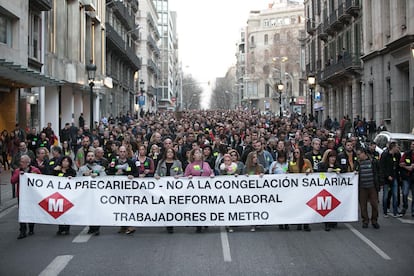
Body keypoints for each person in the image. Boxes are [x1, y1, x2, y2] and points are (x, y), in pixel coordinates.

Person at [106, 146, 138, 234]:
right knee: (120, 207)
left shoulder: (131, 162)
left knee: (129, 207)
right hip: (117, 189)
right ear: (118, 153)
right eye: (121, 151)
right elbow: (109, 172)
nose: (122, 153)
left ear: (126, 153)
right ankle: (123, 226)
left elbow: (136, 173)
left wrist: (132, 176)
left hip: (128, 190)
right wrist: (115, 173)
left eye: (124, 151)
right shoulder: (114, 162)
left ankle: (131, 225)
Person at [184, 148, 214, 233]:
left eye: (199, 153)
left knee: (205, 206)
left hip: (206, 189)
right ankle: (198, 224)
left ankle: (205, 220)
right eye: (196, 153)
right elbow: (185, 176)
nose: (198, 154)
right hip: (195, 191)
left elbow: (210, 172)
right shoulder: (190, 166)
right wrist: (188, 177)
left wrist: (212, 174)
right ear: (193, 156)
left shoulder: (206, 164)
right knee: (197, 207)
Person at [10, 155, 41, 239]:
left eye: (23, 162)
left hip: (32, 195)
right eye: (21, 161)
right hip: (22, 196)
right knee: (22, 213)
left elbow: (41, 180)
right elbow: (12, 181)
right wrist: (19, 175)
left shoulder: (35, 170)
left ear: (28, 163)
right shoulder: (17, 171)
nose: (21, 163)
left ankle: (31, 227)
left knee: (31, 211)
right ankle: (22, 231)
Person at [154, 148, 183, 233]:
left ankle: (171, 223)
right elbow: (156, 172)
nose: (170, 153)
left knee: (172, 205)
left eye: (171, 152)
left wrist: (179, 176)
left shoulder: (178, 163)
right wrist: (156, 176)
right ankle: (167, 222)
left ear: (174, 154)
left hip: (173, 188)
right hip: (163, 188)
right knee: (165, 205)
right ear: (165, 153)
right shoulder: (161, 163)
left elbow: (182, 173)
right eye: (168, 152)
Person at [77, 151, 106, 235]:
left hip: (96, 193)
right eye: (89, 156)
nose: (90, 157)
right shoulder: (82, 169)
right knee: (88, 210)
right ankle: (91, 227)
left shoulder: (100, 168)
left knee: (96, 210)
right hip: (86, 193)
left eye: (92, 156)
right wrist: (83, 175)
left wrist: (97, 176)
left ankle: (96, 228)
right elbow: (77, 179)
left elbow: (105, 178)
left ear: (95, 157)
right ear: (86, 158)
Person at [288, 147, 313, 232]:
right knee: (298, 206)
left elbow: (311, 171)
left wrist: (309, 170)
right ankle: (299, 223)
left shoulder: (306, 161)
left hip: (305, 187)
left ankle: (306, 224)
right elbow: (288, 171)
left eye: (297, 152)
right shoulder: (291, 162)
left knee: (306, 206)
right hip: (296, 187)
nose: (296, 154)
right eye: (295, 153)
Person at [317, 149, 341, 231]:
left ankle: (333, 221)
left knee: (333, 205)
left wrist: (340, 172)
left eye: (334, 157)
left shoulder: (337, 165)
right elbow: (319, 175)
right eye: (331, 157)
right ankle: (326, 223)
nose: (333, 159)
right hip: (325, 189)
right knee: (326, 206)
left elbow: (345, 171)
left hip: (335, 190)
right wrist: (326, 171)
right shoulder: (323, 165)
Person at [356, 148, 380, 229]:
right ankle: (365, 220)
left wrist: (379, 184)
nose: (358, 156)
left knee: (374, 204)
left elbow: (378, 172)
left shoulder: (373, 161)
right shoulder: (357, 163)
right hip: (362, 187)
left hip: (372, 186)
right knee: (363, 205)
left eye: (359, 154)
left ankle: (374, 220)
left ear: (364, 153)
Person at [53, 156, 77, 235]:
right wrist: (54, 170)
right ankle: (60, 227)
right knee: (59, 210)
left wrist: (71, 178)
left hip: (68, 194)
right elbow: (50, 178)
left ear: (69, 163)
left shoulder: (72, 171)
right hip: (58, 194)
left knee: (67, 211)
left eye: (67, 161)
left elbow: (75, 181)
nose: (65, 163)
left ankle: (67, 228)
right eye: (64, 161)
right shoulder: (57, 170)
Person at [243, 151, 265, 232]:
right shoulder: (246, 168)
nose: (256, 159)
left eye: (256, 157)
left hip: (259, 191)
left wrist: (263, 175)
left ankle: (258, 222)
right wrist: (245, 177)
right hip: (249, 192)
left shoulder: (260, 167)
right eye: (254, 157)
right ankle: (252, 224)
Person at [379, 141, 401, 218]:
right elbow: (382, 167)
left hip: (394, 177)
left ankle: (395, 212)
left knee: (395, 195)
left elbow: (398, 165)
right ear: (393, 147)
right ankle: (385, 211)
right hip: (386, 179)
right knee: (385, 196)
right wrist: (386, 176)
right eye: (397, 147)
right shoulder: (385, 155)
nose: (398, 148)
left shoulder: (397, 155)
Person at [269, 150, 289, 230]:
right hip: (277, 189)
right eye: (280, 158)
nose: (281, 159)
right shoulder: (274, 164)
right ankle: (280, 222)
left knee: (286, 205)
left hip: (286, 188)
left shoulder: (287, 164)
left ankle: (286, 222)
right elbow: (270, 175)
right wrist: (273, 171)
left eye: (282, 158)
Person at [399, 141, 414, 217]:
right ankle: (405, 207)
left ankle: (413, 211)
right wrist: (408, 167)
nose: (412, 146)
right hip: (407, 177)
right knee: (405, 193)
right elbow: (401, 163)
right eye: (412, 144)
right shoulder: (406, 153)